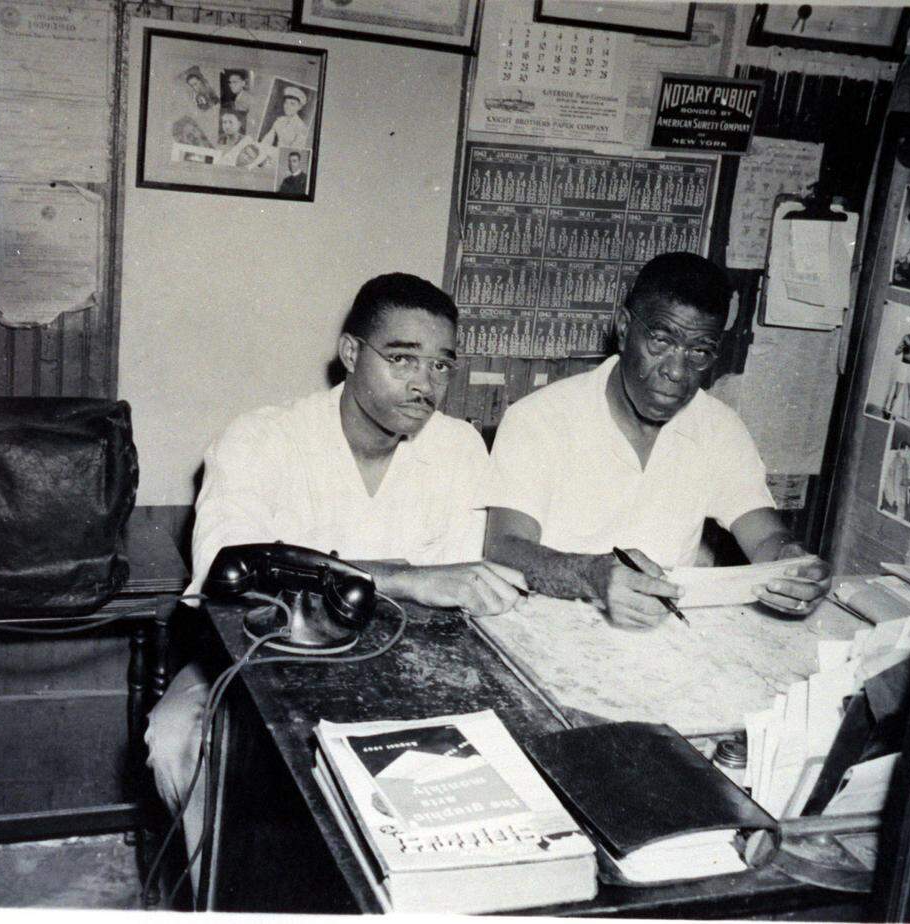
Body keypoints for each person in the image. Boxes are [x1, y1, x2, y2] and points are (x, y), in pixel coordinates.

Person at [146, 274, 526, 893]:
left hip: (397, 673)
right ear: (351, 354)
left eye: (440, 366)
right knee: (175, 742)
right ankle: (212, 893)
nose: (423, 384)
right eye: (402, 358)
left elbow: (457, 594)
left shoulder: (458, 448)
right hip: (257, 664)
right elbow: (224, 569)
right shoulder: (261, 438)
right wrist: (404, 578)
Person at [482, 252, 831, 628]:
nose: (677, 371)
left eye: (699, 351)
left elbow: (765, 537)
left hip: (661, 639)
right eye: (661, 341)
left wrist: (792, 563)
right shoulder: (540, 418)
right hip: (540, 632)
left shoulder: (718, 428)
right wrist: (591, 575)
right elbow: (504, 548)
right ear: (623, 328)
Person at [260, 85, 310, 151]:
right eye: (286, 102)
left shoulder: (302, 127)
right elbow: (267, 140)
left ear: (299, 107)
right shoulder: (280, 120)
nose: (287, 106)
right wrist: (261, 149)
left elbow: (295, 151)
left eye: (292, 104)